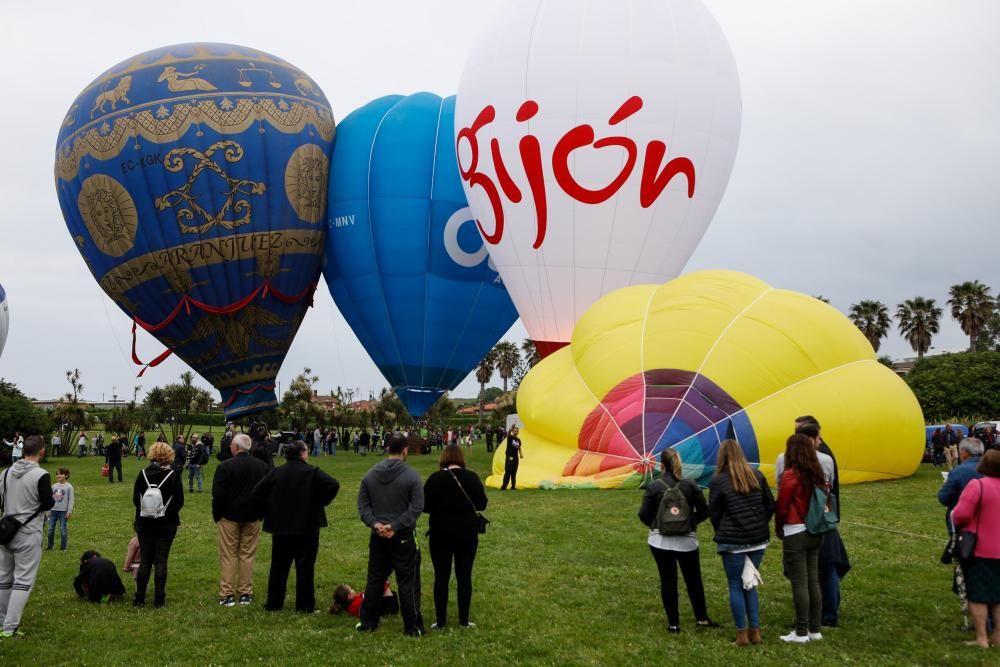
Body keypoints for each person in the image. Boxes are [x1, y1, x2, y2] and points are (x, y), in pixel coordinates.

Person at [250, 440, 340, 613]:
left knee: (278, 566)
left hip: (281, 528)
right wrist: (319, 502)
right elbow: (333, 484)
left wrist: (270, 509)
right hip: (307, 527)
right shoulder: (312, 472)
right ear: (302, 453)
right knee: (305, 567)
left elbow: (256, 493)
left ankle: (274, 603)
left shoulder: (277, 472)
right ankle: (305, 605)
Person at [638, 448, 717, 635]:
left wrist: (657, 525)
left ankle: (673, 624)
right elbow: (705, 511)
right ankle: (701, 618)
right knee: (693, 580)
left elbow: (643, 514)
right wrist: (689, 523)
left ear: (661, 466)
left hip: (660, 542)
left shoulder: (654, 487)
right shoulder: (690, 485)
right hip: (687, 542)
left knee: (668, 580)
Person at [356, 432, 426, 636]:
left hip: (378, 536)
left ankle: (368, 622)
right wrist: (395, 526)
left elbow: (363, 504)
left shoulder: (370, 474)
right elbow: (417, 507)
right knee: (408, 581)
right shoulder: (412, 476)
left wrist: (375, 524)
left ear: (387, 449)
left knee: (375, 579)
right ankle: (412, 626)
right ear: (405, 451)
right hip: (403, 537)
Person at [709, 439, 775, 646]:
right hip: (757, 540)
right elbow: (769, 505)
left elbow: (714, 512)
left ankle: (742, 634)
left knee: (736, 586)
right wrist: (758, 524)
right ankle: (754, 632)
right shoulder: (756, 476)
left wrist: (723, 529)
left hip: (732, 541)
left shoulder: (719, 481)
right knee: (750, 585)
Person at [423, 445, 488, 629]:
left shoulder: (435, 479)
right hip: (467, 534)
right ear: (461, 458)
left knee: (441, 577)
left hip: (440, 534)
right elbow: (482, 504)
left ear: (443, 458)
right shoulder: (472, 477)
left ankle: (441, 620)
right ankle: (464, 620)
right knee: (464, 576)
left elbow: (424, 506)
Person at [794, 417, 849, 628]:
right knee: (823, 566)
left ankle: (822, 613)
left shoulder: (818, 457)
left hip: (811, 519)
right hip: (824, 517)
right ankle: (824, 612)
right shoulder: (824, 457)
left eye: (798, 431)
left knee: (820, 567)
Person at [775, 434, 828, 643]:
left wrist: (779, 526)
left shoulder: (791, 475)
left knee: (799, 583)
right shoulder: (817, 473)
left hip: (796, 531)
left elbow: (783, 505)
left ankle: (801, 631)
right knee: (813, 580)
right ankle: (815, 629)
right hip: (815, 530)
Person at [0, 436, 53, 638]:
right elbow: (48, 504)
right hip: (28, 532)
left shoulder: (5, 472)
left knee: (4, 578)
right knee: (23, 581)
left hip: (5, 530)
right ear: (42, 451)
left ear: (23, 451)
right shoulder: (41, 474)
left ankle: (1, 621)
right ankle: (9, 628)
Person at [212, 433, 270, 607]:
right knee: (247, 555)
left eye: (231, 445)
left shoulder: (225, 467)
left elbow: (218, 495)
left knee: (228, 555)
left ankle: (227, 594)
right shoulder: (262, 466)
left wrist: (218, 514)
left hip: (229, 516)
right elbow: (267, 493)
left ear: (236, 448)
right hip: (253, 516)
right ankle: (245, 593)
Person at [952, 449, 1000, 649]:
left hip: (980, 550)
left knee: (978, 595)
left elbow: (960, 514)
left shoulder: (977, 485)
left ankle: (982, 638)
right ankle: (998, 637)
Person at [131, 441, 184, 608]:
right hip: (166, 524)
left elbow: (135, 500)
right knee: (161, 560)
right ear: (169, 456)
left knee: (145, 559)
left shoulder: (143, 474)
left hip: (144, 522)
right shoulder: (173, 476)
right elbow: (179, 502)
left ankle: (139, 598)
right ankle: (159, 599)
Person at [939, 438, 985, 534]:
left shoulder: (959, 471)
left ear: (963, 452)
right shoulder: (993, 468)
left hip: (964, 526)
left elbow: (944, 498)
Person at [330, 581, 400, 617]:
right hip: (389, 608)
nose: (353, 589)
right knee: (381, 582)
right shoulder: (355, 605)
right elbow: (370, 604)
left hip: (382, 604)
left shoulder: (353, 603)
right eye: (351, 589)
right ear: (349, 596)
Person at [47, 467, 75, 551]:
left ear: (66, 475)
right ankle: (50, 546)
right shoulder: (53, 486)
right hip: (53, 511)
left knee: (63, 530)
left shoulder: (69, 487)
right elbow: (49, 499)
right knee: (50, 529)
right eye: (57, 474)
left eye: (61, 474)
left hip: (64, 512)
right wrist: (48, 510)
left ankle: (63, 547)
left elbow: (71, 499)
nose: (58, 475)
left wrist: (69, 511)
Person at [500, 426, 523, 491]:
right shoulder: (510, 438)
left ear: (518, 432)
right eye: (515, 431)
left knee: (514, 472)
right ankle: (503, 487)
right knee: (508, 472)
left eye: (517, 431)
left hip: (516, 458)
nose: (516, 432)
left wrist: (521, 454)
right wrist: (511, 428)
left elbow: (519, 447)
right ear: (513, 432)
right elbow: (508, 433)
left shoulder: (518, 440)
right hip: (509, 457)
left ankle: (513, 487)